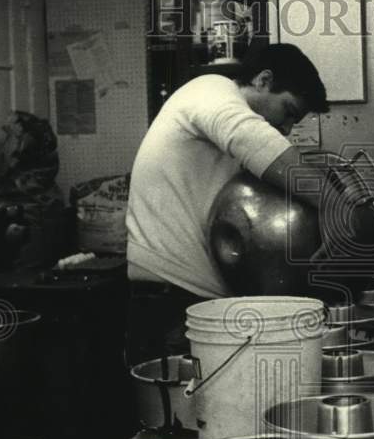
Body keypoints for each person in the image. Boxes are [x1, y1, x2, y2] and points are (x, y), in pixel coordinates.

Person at [125, 43, 330, 366]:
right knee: (183, 400)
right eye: (289, 112)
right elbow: (255, 140)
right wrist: (337, 206)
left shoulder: (224, 122)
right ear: (263, 80)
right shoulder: (209, 90)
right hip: (171, 301)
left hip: (195, 300)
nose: (287, 128)